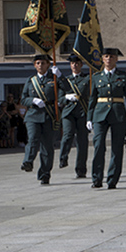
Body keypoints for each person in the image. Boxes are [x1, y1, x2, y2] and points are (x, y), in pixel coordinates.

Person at [88, 48, 126, 189]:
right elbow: (92, 99)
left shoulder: (123, 76)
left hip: (118, 114)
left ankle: (112, 179)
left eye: (112, 57)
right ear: (102, 59)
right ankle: (96, 178)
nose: (109, 59)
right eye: (106, 56)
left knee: (117, 148)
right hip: (100, 114)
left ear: (116, 59)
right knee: (98, 146)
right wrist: (89, 118)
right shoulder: (97, 77)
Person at [20, 54, 61, 184]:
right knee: (32, 138)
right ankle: (28, 161)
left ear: (48, 65)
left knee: (47, 147)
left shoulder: (54, 80)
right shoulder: (31, 81)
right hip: (33, 115)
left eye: (43, 63)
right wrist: (33, 100)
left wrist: (60, 76)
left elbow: (64, 92)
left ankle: (45, 174)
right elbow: (23, 99)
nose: (40, 65)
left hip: (49, 116)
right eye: (37, 63)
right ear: (34, 65)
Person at [59, 54, 90, 178]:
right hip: (68, 112)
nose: (75, 65)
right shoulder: (65, 81)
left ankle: (81, 169)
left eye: (77, 63)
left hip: (82, 112)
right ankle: (63, 158)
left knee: (82, 142)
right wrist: (66, 97)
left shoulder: (87, 78)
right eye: (72, 63)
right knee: (67, 135)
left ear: (81, 65)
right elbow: (60, 98)